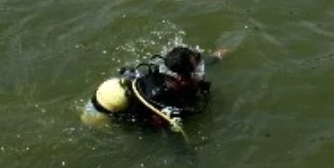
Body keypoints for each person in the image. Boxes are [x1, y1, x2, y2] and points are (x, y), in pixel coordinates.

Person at [86, 44, 229, 129]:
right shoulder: (164, 102)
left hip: (113, 92)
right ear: (181, 79)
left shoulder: (166, 68)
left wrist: (216, 58)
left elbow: (196, 64)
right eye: (196, 71)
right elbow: (174, 139)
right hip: (99, 116)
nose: (200, 73)